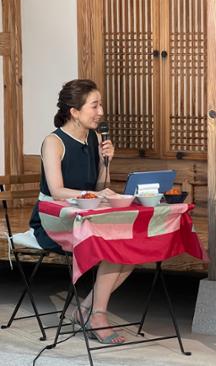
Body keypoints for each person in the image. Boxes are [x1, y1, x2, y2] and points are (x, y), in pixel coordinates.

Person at [29, 79, 132, 344]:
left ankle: (86, 310)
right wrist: (96, 195)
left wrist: (107, 162)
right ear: (74, 111)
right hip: (54, 219)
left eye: (100, 105)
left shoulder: (95, 137)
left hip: (85, 216)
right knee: (112, 247)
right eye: (94, 106)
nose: (101, 112)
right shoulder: (54, 142)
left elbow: (100, 186)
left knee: (130, 250)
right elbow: (57, 190)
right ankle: (97, 316)